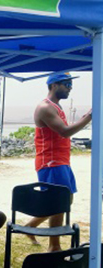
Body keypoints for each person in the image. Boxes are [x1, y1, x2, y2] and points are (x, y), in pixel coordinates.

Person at [25, 72, 92, 251]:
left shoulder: (55, 106)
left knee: (66, 199)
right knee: (58, 201)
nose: (70, 87)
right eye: (66, 84)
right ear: (54, 85)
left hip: (61, 161)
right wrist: (89, 115)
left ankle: (31, 226)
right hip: (51, 162)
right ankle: (54, 246)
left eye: (71, 84)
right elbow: (65, 131)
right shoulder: (45, 107)